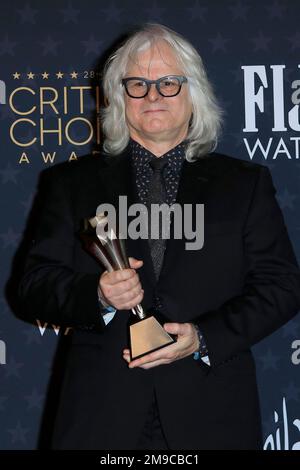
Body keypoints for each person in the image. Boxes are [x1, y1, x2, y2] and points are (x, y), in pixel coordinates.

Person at [18, 23, 300, 450]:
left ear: (194, 94)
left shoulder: (244, 184)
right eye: (138, 84)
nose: (153, 95)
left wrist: (203, 337)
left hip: (212, 412)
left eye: (168, 83)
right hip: (100, 416)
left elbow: (282, 286)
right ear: (117, 96)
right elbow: (33, 286)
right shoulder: (70, 184)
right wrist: (97, 294)